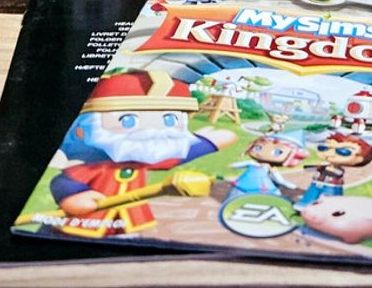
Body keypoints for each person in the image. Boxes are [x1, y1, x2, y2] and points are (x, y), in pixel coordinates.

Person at [49, 70, 236, 238]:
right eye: (128, 120)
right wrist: (74, 195)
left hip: (126, 222)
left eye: (169, 120)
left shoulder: (142, 157)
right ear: (82, 130)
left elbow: (169, 157)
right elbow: (65, 180)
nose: (152, 131)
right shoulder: (94, 164)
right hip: (83, 226)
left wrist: (206, 143)